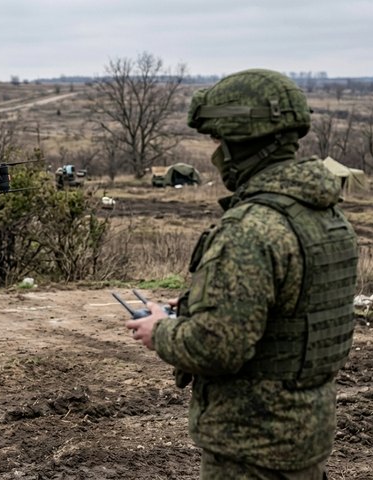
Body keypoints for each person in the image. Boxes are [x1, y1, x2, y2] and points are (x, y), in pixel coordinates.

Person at [126, 69, 359, 479]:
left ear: (240, 144)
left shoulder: (251, 228)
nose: (215, 153)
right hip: (304, 435)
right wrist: (197, 305)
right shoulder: (324, 215)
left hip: (251, 447)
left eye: (218, 141)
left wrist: (159, 331)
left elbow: (216, 348)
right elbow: (287, 311)